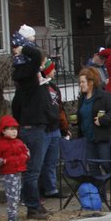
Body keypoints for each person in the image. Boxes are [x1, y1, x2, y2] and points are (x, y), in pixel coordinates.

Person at [10, 29, 57, 221]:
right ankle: (32, 207)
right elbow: (37, 55)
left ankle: (36, 204)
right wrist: (24, 48)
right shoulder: (27, 74)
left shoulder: (27, 75)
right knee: (33, 171)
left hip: (37, 125)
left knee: (35, 170)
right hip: (34, 127)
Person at [75, 67, 111, 179]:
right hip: (87, 139)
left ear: (91, 82)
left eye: (83, 82)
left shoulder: (104, 96)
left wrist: (102, 120)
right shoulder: (82, 98)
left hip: (102, 138)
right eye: (80, 82)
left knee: (106, 164)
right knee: (93, 167)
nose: (81, 84)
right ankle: (100, 195)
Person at [0, 115, 30, 221]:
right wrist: (3, 161)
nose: (14, 132)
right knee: (12, 197)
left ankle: (14, 217)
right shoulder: (0, 144)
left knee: (17, 196)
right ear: (3, 131)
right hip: (8, 173)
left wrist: (23, 157)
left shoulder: (19, 142)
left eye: (15, 129)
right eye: (11, 129)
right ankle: (11, 219)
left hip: (18, 172)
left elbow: (27, 152)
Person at [39, 59, 67, 199]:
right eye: (52, 69)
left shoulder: (54, 87)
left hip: (55, 128)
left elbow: (60, 107)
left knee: (52, 161)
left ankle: (51, 188)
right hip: (44, 128)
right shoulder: (40, 87)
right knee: (40, 160)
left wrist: (63, 126)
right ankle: (40, 189)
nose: (55, 71)